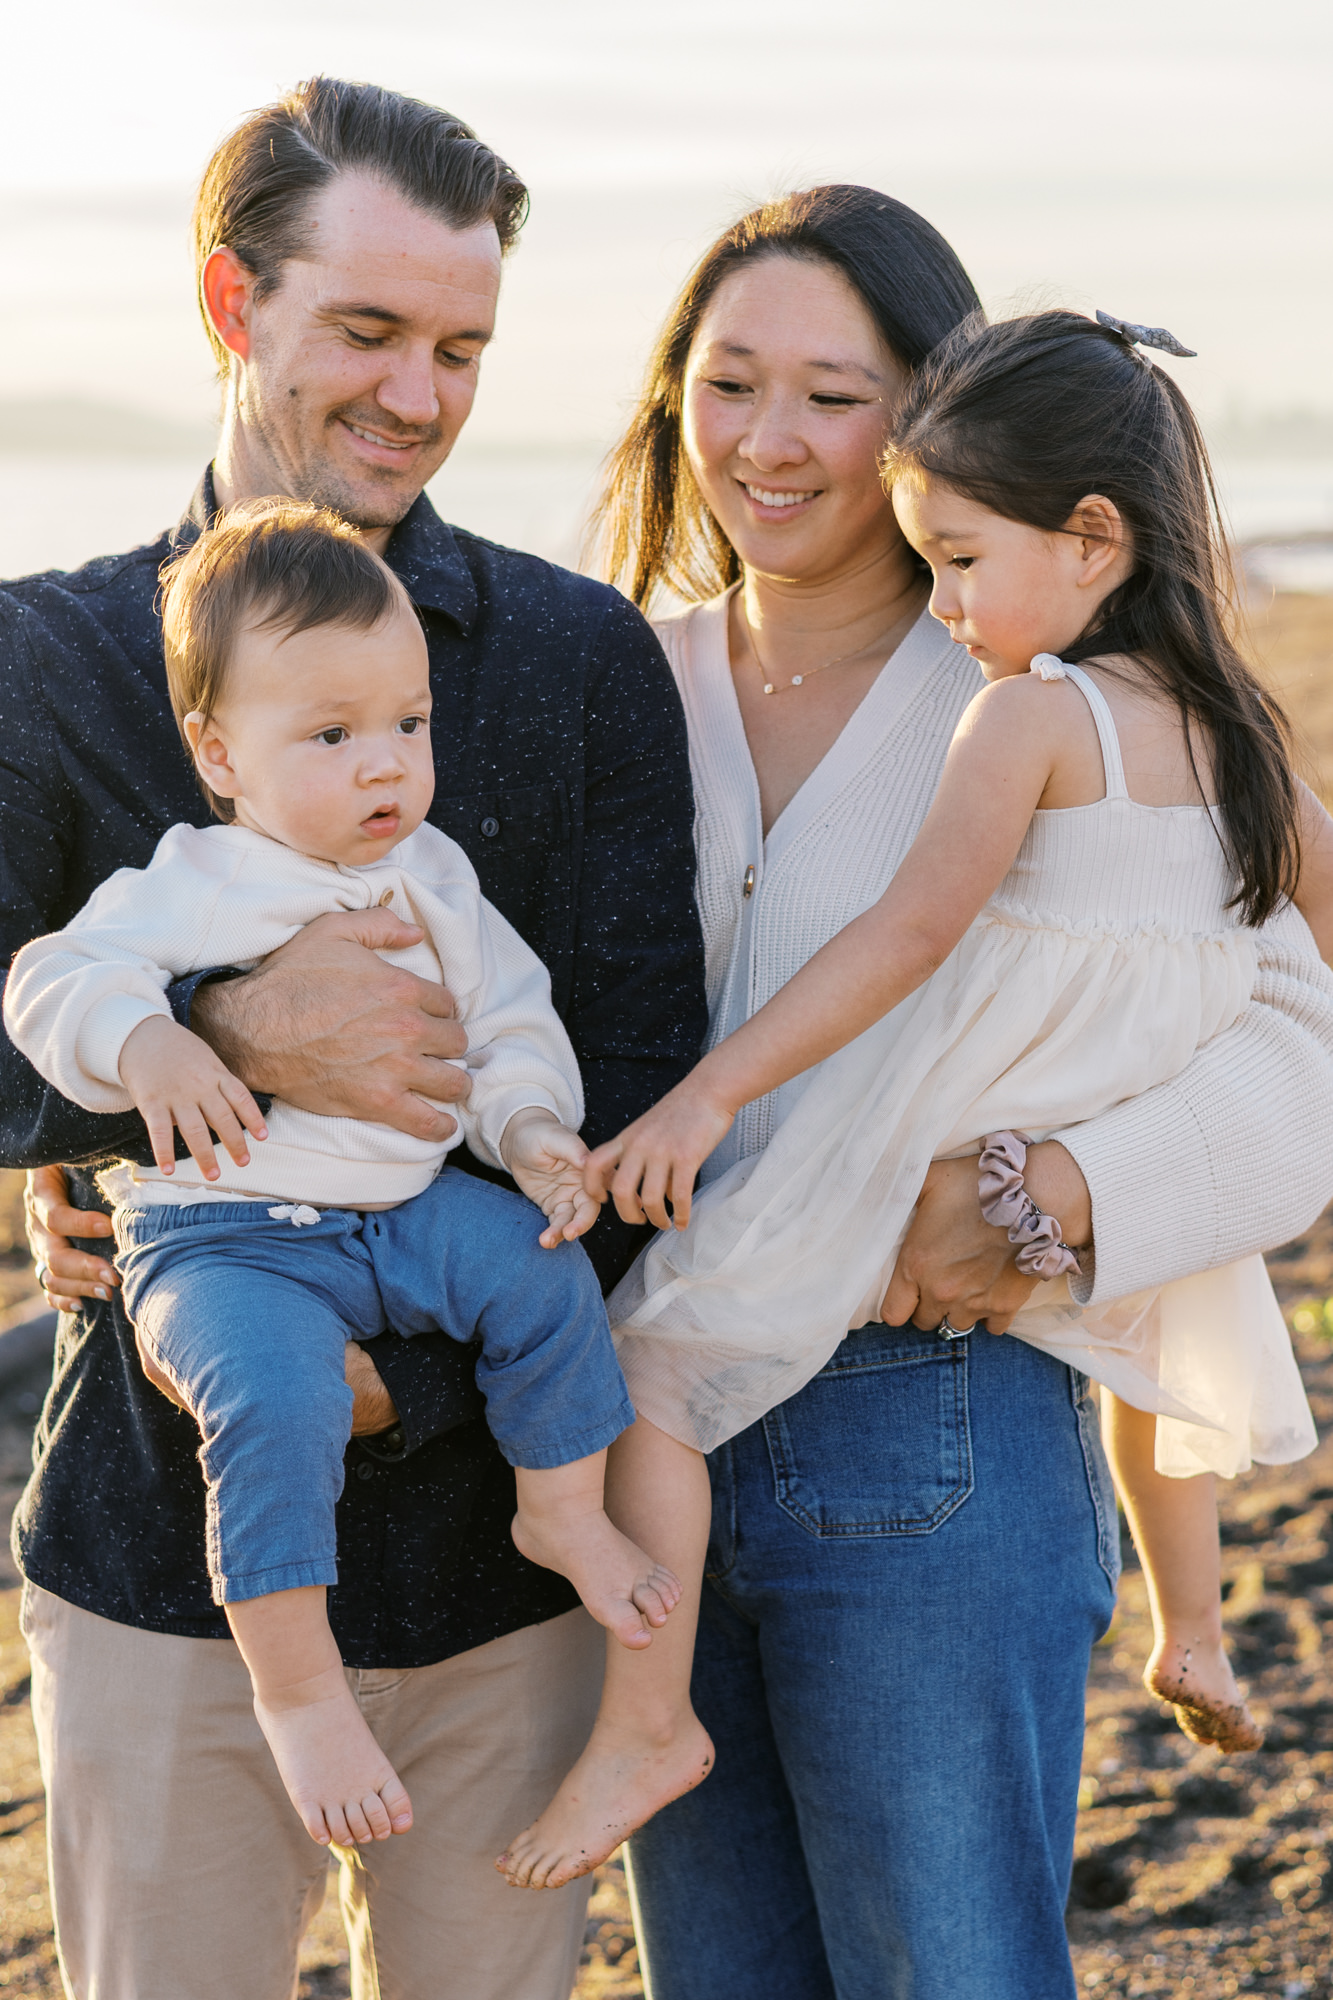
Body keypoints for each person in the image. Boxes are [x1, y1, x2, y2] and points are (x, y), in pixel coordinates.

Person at [568, 189, 1333, 2000]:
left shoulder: (1045, 694)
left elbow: (1292, 1047)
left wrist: (1052, 1195)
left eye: (831, 393)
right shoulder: (611, 680)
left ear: (930, 412)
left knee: (948, 1974)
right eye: (726, 379)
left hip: (937, 1416)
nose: (768, 438)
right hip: (644, 1411)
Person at [1, 79, 707, 2000]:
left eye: (462, 347)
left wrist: (426, 1389)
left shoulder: (578, 662)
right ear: (233, 307)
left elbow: (639, 1090)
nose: (419, 394)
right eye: (369, 333)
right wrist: (214, 1038)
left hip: (506, 1575)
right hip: (165, 1561)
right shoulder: (46, 664)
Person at [5, 498, 704, 1848]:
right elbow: (48, 978)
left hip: (403, 1212)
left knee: (541, 1285)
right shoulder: (195, 880)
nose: (383, 765)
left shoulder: (435, 877)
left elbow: (506, 1029)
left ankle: (563, 1514)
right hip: (223, 1235)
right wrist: (154, 1037)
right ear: (220, 755)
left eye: (408, 725)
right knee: (269, 1405)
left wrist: (534, 1138)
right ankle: (299, 1687)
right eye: (330, 737)